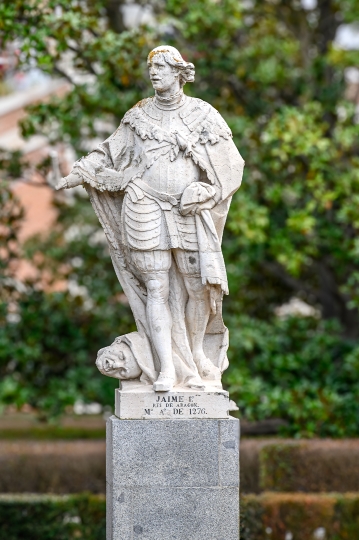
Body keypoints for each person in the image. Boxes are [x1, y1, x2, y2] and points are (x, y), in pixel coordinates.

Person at [57, 45, 244, 392]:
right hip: (143, 204)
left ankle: (199, 357)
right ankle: (166, 368)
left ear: (179, 72)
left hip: (188, 211)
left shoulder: (204, 115)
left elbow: (232, 165)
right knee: (156, 287)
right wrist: (81, 170)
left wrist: (207, 192)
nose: (154, 73)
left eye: (160, 66)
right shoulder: (137, 116)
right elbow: (108, 151)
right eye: (151, 67)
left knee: (199, 287)